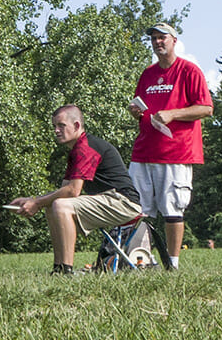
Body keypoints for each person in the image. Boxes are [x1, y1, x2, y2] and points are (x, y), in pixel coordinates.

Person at [9, 105, 142, 275]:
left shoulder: (85, 148)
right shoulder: (76, 149)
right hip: (110, 199)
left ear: (77, 126)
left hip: (123, 202)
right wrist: (34, 200)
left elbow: (73, 191)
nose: (56, 131)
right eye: (54, 126)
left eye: (61, 126)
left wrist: (36, 203)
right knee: (51, 206)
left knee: (60, 206)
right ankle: (58, 269)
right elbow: (64, 189)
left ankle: (66, 270)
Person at [127, 22, 213, 269]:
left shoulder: (189, 71)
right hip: (144, 151)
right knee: (138, 210)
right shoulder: (148, 74)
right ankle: (140, 261)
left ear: (174, 40)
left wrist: (173, 114)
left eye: (162, 37)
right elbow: (143, 107)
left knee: (172, 208)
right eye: (154, 38)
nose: (157, 42)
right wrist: (136, 113)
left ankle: (172, 263)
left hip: (176, 152)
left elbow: (206, 108)